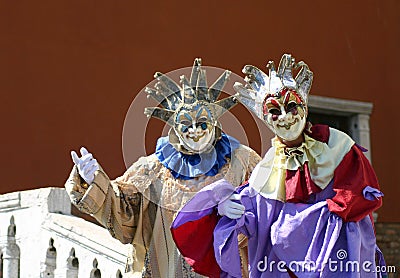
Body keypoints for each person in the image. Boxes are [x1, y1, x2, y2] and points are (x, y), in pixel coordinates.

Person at [171, 54, 385, 277]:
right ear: (265, 117)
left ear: (304, 106)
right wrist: (226, 209)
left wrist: (294, 227)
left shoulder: (337, 146)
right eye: (274, 111)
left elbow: (356, 200)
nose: (284, 117)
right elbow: (256, 217)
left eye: (291, 106)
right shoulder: (269, 164)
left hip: (335, 262)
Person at [64, 58, 261, 277]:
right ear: (175, 127)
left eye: (203, 123)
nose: (195, 130)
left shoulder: (242, 161)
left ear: (215, 123)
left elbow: (264, 207)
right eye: (186, 124)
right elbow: (125, 211)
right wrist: (94, 180)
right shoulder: (153, 169)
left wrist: (234, 215)